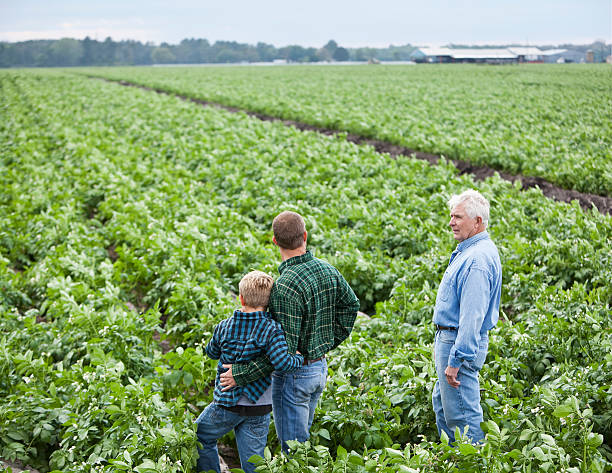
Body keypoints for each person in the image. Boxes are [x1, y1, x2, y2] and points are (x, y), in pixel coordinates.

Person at [219, 211, 360, 453]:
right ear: (305, 236)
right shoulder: (328, 270)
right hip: (318, 369)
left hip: (295, 376)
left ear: (274, 241)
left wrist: (240, 374)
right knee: (301, 444)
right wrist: (325, 343)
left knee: (294, 450)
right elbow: (351, 306)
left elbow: (281, 356)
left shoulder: (284, 287)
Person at [195, 270, 304, 473]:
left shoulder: (224, 326)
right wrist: (298, 357)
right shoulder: (272, 329)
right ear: (269, 302)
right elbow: (282, 362)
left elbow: (210, 352)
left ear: (241, 298)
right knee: (253, 460)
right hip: (259, 405)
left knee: (200, 436)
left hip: (227, 403)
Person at [432, 189, 502, 444]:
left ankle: (472, 463)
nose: (451, 222)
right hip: (449, 340)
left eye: (458, 217)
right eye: (451, 216)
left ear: (477, 222)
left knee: (463, 418)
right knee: (445, 408)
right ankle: (452, 460)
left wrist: (457, 358)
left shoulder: (477, 260)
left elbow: (472, 317)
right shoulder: (470, 250)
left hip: (457, 343)